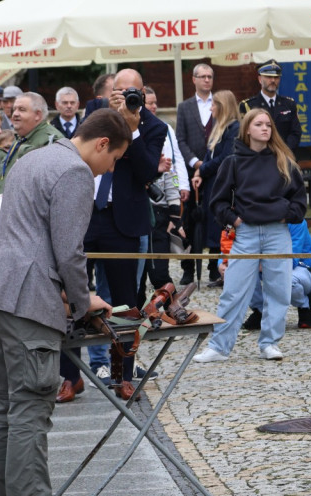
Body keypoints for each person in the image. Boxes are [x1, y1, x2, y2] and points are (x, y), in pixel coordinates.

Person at [0, 108, 128, 496]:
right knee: (30, 409)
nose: (110, 168)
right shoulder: (74, 172)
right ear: (102, 143)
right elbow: (69, 251)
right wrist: (83, 300)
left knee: (6, 407)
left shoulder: (33, 157)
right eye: (114, 159)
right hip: (28, 300)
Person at [193, 109, 307, 364]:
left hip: (277, 233)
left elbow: (299, 202)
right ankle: (219, 347)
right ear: (247, 129)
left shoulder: (284, 161)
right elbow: (218, 202)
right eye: (259, 124)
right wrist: (235, 221)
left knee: (279, 291)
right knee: (233, 291)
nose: (265, 128)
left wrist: (284, 216)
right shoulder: (232, 162)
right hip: (246, 233)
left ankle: (269, 343)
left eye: (268, 124)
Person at [80, 69, 167, 401]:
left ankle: (123, 375)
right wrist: (110, 116)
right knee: (67, 290)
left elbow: (146, 172)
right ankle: (70, 376)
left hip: (124, 220)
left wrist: (132, 129)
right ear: (109, 91)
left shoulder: (154, 126)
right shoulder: (95, 110)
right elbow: (81, 150)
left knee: (126, 304)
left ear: (143, 94)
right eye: (119, 91)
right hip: (86, 214)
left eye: (133, 92)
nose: (126, 97)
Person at [142, 86, 189, 290]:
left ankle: (169, 301)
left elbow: (174, 166)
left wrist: (176, 213)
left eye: (155, 102)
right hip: (139, 208)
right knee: (138, 274)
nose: (153, 106)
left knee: (159, 271)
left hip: (161, 208)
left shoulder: (165, 128)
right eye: (149, 103)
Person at [192, 90, 240, 288]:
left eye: (214, 104)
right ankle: (215, 267)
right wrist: (200, 173)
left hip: (224, 184)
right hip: (213, 183)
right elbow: (210, 155)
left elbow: (224, 157)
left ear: (223, 106)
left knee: (221, 226)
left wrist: (202, 170)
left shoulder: (234, 128)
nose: (211, 108)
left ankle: (221, 267)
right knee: (213, 227)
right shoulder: (219, 128)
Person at [174, 63, 214, 286]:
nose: (207, 80)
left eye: (210, 76)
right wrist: (196, 163)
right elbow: (180, 139)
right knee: (188, 220)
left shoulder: (219, 104)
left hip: (216, 171)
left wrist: (208, 164)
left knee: (216, 217)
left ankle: (214, 267)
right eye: (203, 76)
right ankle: (188, 268)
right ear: (194, 79)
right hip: (191, 172)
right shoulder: (185, 107)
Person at [0, 93, 62, 208]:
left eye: (22, 110)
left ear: (38, 115)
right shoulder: (22, 138)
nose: (15, 114)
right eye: (14, 109)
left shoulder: (50, 141)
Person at [240, 60, 300, 151]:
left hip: (285, 154)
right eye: (269, 77)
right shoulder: (248, 105)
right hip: (259, 155)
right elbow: (244, 135)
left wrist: (283, 151)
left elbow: (295, 133)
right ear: (260, 79)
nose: (273, 80)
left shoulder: (289, 104)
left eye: (276, 77)